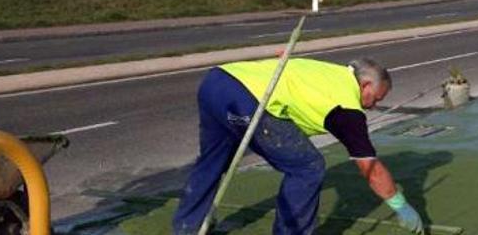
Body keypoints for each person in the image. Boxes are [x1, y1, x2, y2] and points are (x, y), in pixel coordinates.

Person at [173, 57, 424, 235]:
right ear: (365, 85)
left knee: (213, 159)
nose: (371, 106)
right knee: (308, 167)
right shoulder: (347, 108)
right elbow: (370, 167)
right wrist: (400, 206)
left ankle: (188, 226)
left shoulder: (328, 71)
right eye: (374, 99)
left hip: (216, 81)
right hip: (249, 100)